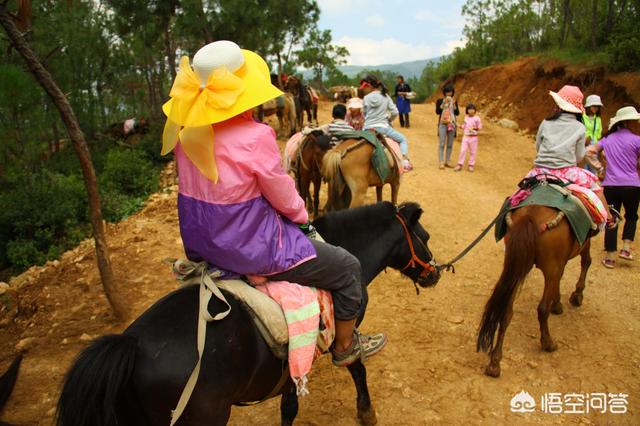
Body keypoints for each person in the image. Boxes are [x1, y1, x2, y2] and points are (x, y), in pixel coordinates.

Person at [161, 40, 386, 367]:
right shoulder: (256, 137)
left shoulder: (186, 137)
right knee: (347, 267)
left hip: (202, 246)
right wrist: (302, 217)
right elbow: (283, 195)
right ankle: (345, 346)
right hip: (252, 248)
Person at [524, 85, 612, 224]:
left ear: (558, 103)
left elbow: (538, 147)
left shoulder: (546, 122)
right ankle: (608, 219)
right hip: (566, 172)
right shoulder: (579, 127)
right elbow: (578, 157)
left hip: (539, 170)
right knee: (596, 188)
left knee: (519, 195)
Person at [586, 106, 640, 268]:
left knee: (611, 219)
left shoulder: (607, 140)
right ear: (628, 122)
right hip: (632, 185)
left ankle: (609, 258)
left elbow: (589, 152)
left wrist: (601, 168)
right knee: (631, 216)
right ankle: (625, 249)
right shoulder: (637, 140)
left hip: (611, 185)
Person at [360, 75, 413, 171]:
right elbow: (395, 112)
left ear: (370, 86)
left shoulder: (366, 98)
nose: (365, 89)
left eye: (366, 87)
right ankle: (404, 162)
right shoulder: (385, 96)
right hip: (383, 128)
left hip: (367, 129)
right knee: (403, 140)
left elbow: (364, 114)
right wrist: (389, 120)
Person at [435, 84, 460, 169]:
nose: (449, 94)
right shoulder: (440, 101)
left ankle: (448, 161)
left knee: (450, 144)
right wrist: (443, 103)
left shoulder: (454, 101)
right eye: (447, 92)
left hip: (452, 124)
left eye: (450, 92)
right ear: (444, 93)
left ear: (452, 92)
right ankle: (441, 162)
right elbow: (437, 112)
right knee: (442, 143)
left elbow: (457, 113)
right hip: (443, 123)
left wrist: (454, 105)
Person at [454, 103, 482, 172]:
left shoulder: (477, 118)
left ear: (474, 110)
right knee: (463, 150)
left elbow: (480, 126)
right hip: (466, 137)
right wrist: (459, 126)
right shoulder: (466, 117)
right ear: (467, 110)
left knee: (473, 152)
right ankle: (460, 164)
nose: (471, 111)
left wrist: (475, 128)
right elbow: (465, 126)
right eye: (469, 109)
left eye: (472, 109)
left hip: (474, 138)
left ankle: (471, 165)